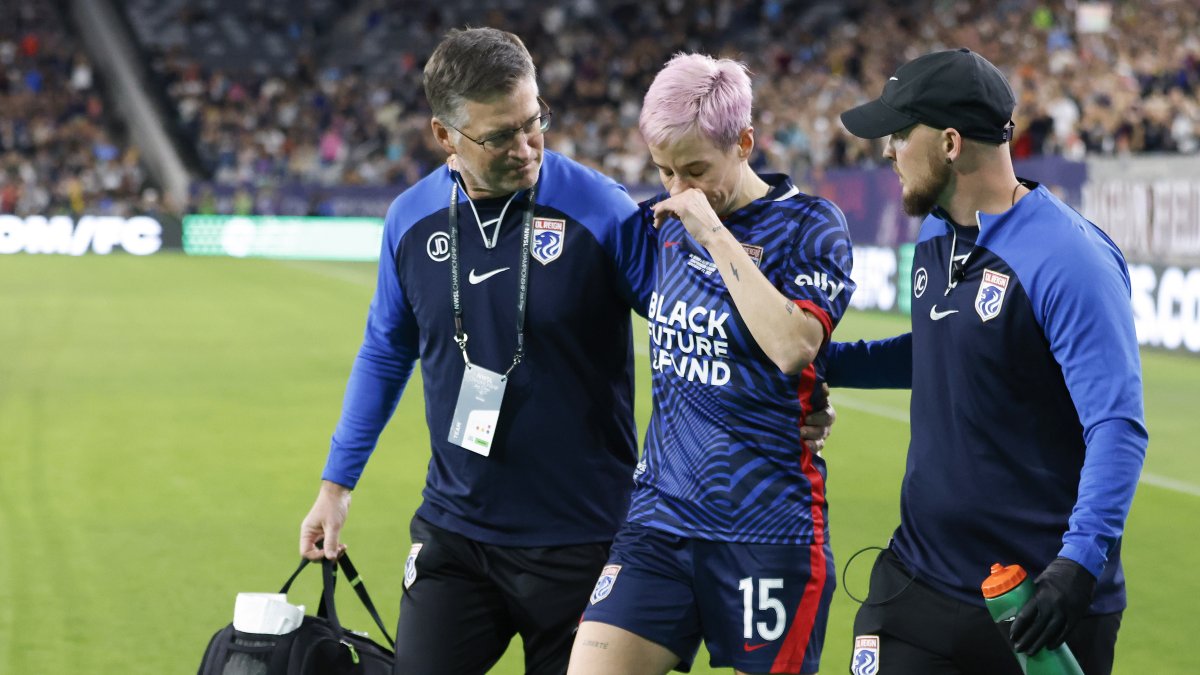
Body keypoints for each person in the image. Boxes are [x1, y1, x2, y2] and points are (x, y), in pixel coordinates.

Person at [296, 27, 838, 675]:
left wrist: (795, 399)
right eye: (500, 135)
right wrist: (336, 486)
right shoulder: (410, 220)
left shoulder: (602, 210)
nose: (526, 147)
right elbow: (386, 350)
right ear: (445, 137)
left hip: (585, 539)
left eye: (535, 122)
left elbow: (701, 324)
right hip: (455, 532)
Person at [830, 48, 1148, 675]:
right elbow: (950, 351)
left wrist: (1078, 565)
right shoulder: (936, 233)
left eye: (900, 134)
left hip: (1033, 606)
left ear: (950, 142)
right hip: (917, 579)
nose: (887, 151)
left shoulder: (1069, 260)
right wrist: (825, 363)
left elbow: (1116, 425)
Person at [569, 53, 855, 675]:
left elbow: (792, 346)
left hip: (768, 529)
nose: (678, 189)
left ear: (745, 142)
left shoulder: (811, 226)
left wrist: (714, 235)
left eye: (695, 169)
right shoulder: (660, 225)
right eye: (666, 171)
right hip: (658, 518)